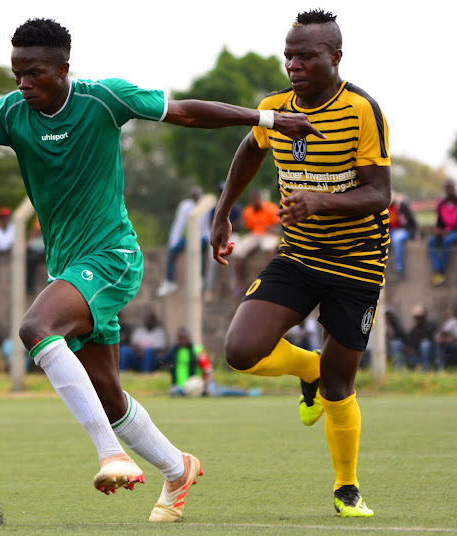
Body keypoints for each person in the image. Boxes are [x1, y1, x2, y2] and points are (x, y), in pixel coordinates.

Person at [0, 17, 320, 522]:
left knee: (35, 328)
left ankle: (109, 454)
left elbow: (183, 112)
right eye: (16, 74)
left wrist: (268, 121)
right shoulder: (9, 113)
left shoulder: (104, 99)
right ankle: (177, 468)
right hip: (70, 270)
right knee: (109, 394)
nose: (23, 84)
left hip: (113, 259)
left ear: (63, 68)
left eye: (33, 73)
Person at [211, 10, 389, 517]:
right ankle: (308, 368)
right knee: (241, 351)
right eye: (289, 54)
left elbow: (380, 192)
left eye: (306, 55)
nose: (294, 64)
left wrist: (320, 201)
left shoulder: (362, 110)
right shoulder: (274, 108)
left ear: (335, 57)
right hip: (299, 255)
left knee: (340, 386)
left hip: (357, 265)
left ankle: (346, 489)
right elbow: (249, 149)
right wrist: (223, 215)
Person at [155, 186, 207, 297]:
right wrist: (173, 242)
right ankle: (170, 281)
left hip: (205, 238)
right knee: (172, 250)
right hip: (191, 238)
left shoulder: (206, 204)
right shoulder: (185, 206)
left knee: (201, 251)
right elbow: (179, 225)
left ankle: (201, 279)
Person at [229, 189, 281, 296]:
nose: (255, 202)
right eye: (252, 200)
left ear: (260, 199)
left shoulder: (270, 208)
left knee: (268, 248)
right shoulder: (248, 211)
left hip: (269, 234)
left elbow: (279, 228)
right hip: (255, 235)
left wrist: (270, 229)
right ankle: (239, 284)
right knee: (238, 252)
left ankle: (271, 279)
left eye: (256, 199)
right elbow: (249, 229)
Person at [203, 181, 242, 301]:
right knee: (212, 260)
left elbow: (239, 225)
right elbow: (212, 226)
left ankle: (234, 285)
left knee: (235, 256)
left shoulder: (235, 207)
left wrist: (226, 227)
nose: (222, 195)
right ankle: (209, 290)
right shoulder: (214, 209)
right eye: (220, 192)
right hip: (218, 237)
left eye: (223, 192)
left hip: (232, 236)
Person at [428, 178, 457, 287]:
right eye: (447, 187)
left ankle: (441, 272)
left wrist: (448, 232)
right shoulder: (442, 204)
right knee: (431, 242)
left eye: (450, 187)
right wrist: (439, 230)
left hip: (454, 232)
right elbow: (439, 222)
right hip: (445, 231)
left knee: (446, 241)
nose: (449, 189)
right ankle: (437, 270)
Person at [387, 192, 418, 281]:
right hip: (390, 231)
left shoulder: (401, 206)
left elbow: (412, 220)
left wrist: (415, 233)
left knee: (397, 238)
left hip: (403, 230)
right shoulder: (384, 208)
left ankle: (399, 267)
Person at [402, 304, 437, 371]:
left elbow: (434, 341)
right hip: (416, 356)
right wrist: (408, 349)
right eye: (416, 317)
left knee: (425, 345)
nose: (418, 319)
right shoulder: (413, 330)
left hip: (431, 355)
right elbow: (409, 344)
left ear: (424, 316)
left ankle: (426, 370)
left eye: (419, 317)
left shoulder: (431, 327)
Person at [435, 304, 457, 370]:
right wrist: (440, 338)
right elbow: (443, 332)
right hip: (454, 349)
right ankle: (440, 369)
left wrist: (448, 340)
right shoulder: (453, 321)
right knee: (440, 345)